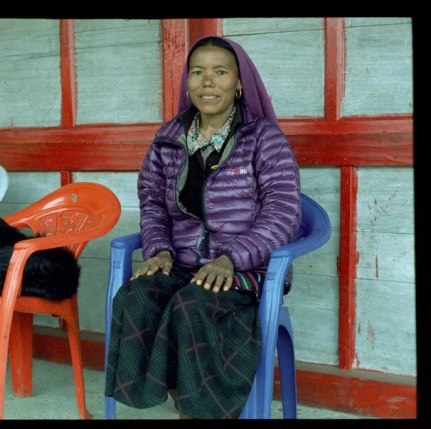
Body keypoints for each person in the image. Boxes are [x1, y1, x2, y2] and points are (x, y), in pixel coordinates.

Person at [104, 36, 301, 419]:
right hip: (181, 265)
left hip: (245, 270)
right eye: (198, 72)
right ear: (187, 82)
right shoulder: (168, 139)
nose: (207, 82)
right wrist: (159, 249)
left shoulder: (263, 138)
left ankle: (198, 412)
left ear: (239, 83)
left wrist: (231, 259)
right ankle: (186, 404)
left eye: (220, 72)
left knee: (193, 304)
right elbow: (152, 202)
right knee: (137, 296)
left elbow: (282, 214)